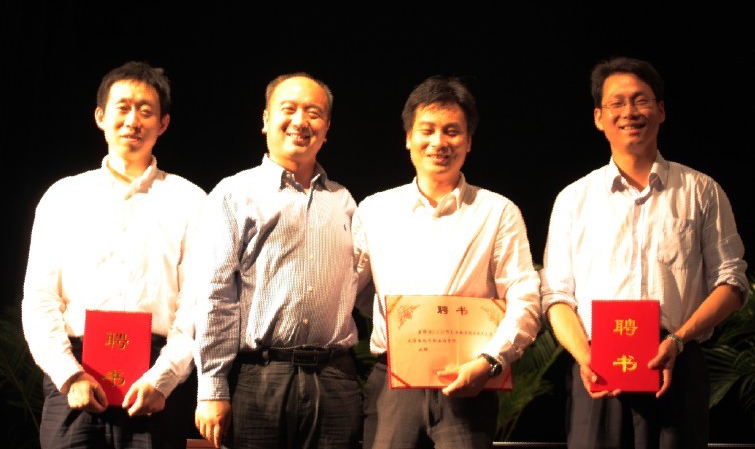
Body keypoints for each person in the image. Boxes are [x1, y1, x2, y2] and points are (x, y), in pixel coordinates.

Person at [539, 56, 749, 448]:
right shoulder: (573, 199)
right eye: (616, 103)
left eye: (641, 100)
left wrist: (679, 340)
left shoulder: (701, 191)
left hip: (677, 362)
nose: (630, 112)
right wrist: (585, 356)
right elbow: (556, 295)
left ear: (661, 110)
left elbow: (732, 282)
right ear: (599, 117)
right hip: (597, 369)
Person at [21, 60, 207, 448]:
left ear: (163, 123)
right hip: (75, 370)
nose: (133, 120)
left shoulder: (190, 200)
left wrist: (163, 378)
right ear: (100, 117)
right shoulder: (63, 196)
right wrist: (69, 374)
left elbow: (197, 304)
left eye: (146, 110)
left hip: (155, 378)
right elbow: (40, 299)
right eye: (122, 107)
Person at [352, 75, 542, 448]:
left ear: (468, 141)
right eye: (427, 130)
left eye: (452, 131)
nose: (439, 142)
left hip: (469, 385)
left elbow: (525, 298)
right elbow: (351, 292)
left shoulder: (497, 212)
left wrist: (490, 361)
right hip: (393, 386)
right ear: (409, 137)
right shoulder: (374, 210)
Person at [193, 72, 362, 449]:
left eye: (314, 113)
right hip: (261, 376)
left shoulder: (344, 201)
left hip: (336, 378)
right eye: (289, 109)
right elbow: (215, 294)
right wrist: (213, 387)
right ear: (266, 119)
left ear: (327, 129)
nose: (301, 121)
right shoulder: (234, 194)